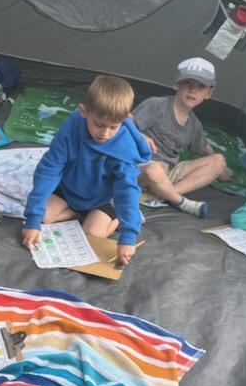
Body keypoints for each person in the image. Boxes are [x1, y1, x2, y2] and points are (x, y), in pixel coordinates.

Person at [21, 75, 151, 266]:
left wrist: (128, 237)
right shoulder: (71, 128)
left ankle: (120, 219)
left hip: (103, 199)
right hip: (69, 190)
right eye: (98, 125)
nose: (104, 134)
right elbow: (49, 169)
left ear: (124, 121)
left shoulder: (125, 148)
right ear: (84, 112)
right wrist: (32, 219)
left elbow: (127, 191)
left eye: (113, 127)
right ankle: (79, 215)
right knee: (44, 217)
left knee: (92, 235)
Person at [134, 56, 229, 218]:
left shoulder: (194, 125)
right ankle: (175, 198)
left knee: (219, 160)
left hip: (168, 174)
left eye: (200, 86)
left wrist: (222, 171)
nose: (193, 90)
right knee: (153, 170)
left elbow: (205, 148)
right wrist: (140, 134)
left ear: (208, 94)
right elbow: (123, 123)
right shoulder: (156, 105)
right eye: (188, 83)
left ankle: (163, 195)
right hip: (141, 167)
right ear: (176, 85)